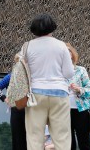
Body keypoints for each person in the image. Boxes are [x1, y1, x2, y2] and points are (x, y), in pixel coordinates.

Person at [24, 15, 74, 150]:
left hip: (35, 93)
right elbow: (69, 73)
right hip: (59, 92)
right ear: (52, 27)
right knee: (61, 137)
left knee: (35, 136)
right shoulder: (61, 45)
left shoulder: (27, 46)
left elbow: (22, 72)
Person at [67, 43, 90, 150]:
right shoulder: (57, 72)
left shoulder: (80, 70)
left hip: (80, 109)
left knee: (84, 141)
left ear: (72, 55)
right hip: (62, 110)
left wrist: (79, 89)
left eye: (68, 51)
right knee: (68, 143)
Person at [0, 73, 26, 150]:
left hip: (29, 110)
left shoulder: (30, 75)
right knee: (17, 140)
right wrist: (5, 99)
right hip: (16, 110)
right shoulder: (11, 75)